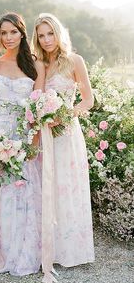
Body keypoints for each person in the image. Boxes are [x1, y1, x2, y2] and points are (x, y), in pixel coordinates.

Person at [0, 12, 45, 276]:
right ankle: (1, 250)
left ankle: (25, 250)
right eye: (3, 33)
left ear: (22, 33)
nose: (7, 38)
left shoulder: (35, 64)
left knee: (24, 189)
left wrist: (33, 143)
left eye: (13, 32)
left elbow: (38, 109)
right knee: (1, 192)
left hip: (23, 133)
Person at [32, 13, 95, 270]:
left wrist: (64, 115)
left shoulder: (74, 61)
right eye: (41, 35)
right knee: (44, 186)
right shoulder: (37, 63)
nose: (47, 40)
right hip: (43, 134)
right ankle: (46, 247)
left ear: (59, 33)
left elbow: (88, 99)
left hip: (66, 133)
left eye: (50, 33)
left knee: (66, 187)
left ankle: (69, 250)